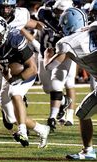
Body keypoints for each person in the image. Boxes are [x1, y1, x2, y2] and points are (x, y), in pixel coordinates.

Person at [0, 15, 50, 148]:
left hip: (25, 73)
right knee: (10, 117)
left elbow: (33, 69)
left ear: (3, 33)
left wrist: (15, 79)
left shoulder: (15, 39)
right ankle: (42, 129)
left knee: (14, 93)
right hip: (8, 76)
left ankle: (22, 131)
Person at [44, 7, 97, 160]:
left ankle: (88, 150)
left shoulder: (67, 42)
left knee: (83, 114)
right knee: (82, 113)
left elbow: (50, 67)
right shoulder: (93, 27)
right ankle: (88, 151)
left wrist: (48, 56)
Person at [36, 0, 76, 131]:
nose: (60, 14)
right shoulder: (45, 14)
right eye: (58, 11)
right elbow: (40, 13)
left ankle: (55, 116)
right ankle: (64, 101)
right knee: (47, 88)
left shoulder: (73, 20)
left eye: (63, 11)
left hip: (64, 54)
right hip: (45, 53)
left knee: (61, 83)